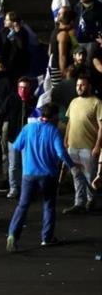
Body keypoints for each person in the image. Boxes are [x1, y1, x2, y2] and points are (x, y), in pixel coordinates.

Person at [6, 104, 77, 252]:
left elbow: (17, 147)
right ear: (53, 117)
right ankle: (47, 238)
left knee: (22, 206)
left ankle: (12, 235)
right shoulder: (54, 131)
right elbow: (61, 153)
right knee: (49, 205)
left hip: (29, 175)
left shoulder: (27, 128)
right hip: (48, 175)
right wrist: (73, 166)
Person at [63, 76, 102, 213]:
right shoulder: (73, 102)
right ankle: (79, 203)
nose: (79, 87)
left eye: (82, 85)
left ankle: (92, 203)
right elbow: (70, 122)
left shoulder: (97, 103)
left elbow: (101, 126)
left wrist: (98, 145)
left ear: (89, 86)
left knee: (90, 176)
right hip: (73, 146)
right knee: (76, 176)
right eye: (78, 85)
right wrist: (66, 139)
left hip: (88, 147)